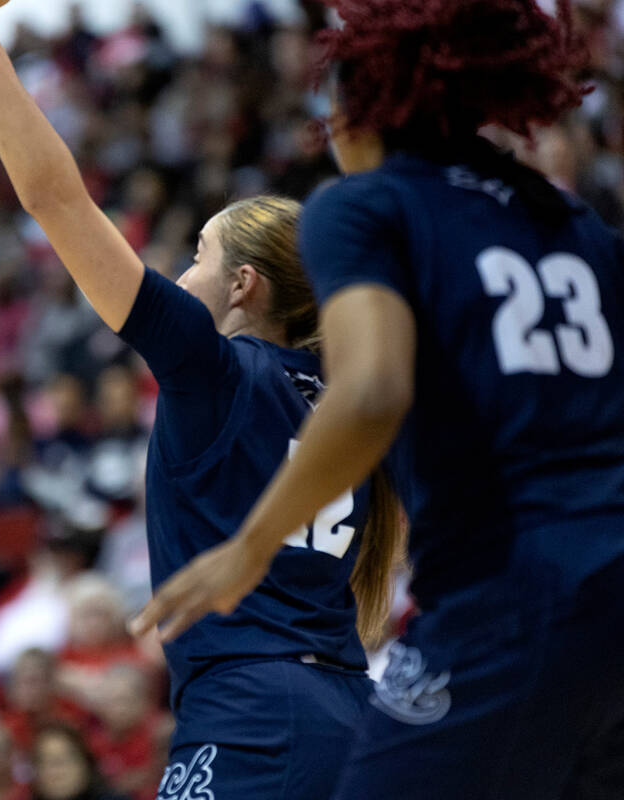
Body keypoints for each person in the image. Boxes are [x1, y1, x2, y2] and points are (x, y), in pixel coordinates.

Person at [131, 1, 624, 797]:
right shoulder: (572, 221)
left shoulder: (367, 207)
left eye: (331, 111)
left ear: (368, 111)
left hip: (508, 586)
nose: (327, 133)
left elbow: (371, 393)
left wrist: (249, 547)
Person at [0, 3, 401, 798]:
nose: (181, 274)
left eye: (198, 255)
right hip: (353, 713)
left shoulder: (214, 367)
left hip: (252, 718)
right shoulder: (353, 402)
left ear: (243, 284)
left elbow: (57, 199)